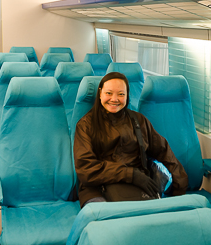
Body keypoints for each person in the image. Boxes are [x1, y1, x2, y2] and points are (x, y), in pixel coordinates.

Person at [74, 72, 189, 207]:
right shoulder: (85, 125)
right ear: (100, 93)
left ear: (127, 95)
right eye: (109, 93)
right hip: (97, 187)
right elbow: (86, 168)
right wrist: (130, 174)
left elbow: (163, 151)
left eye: (121, 94)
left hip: (138, 184)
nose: (114, 99)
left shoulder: (138, 121)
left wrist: (180, 189)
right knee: (109, 221)